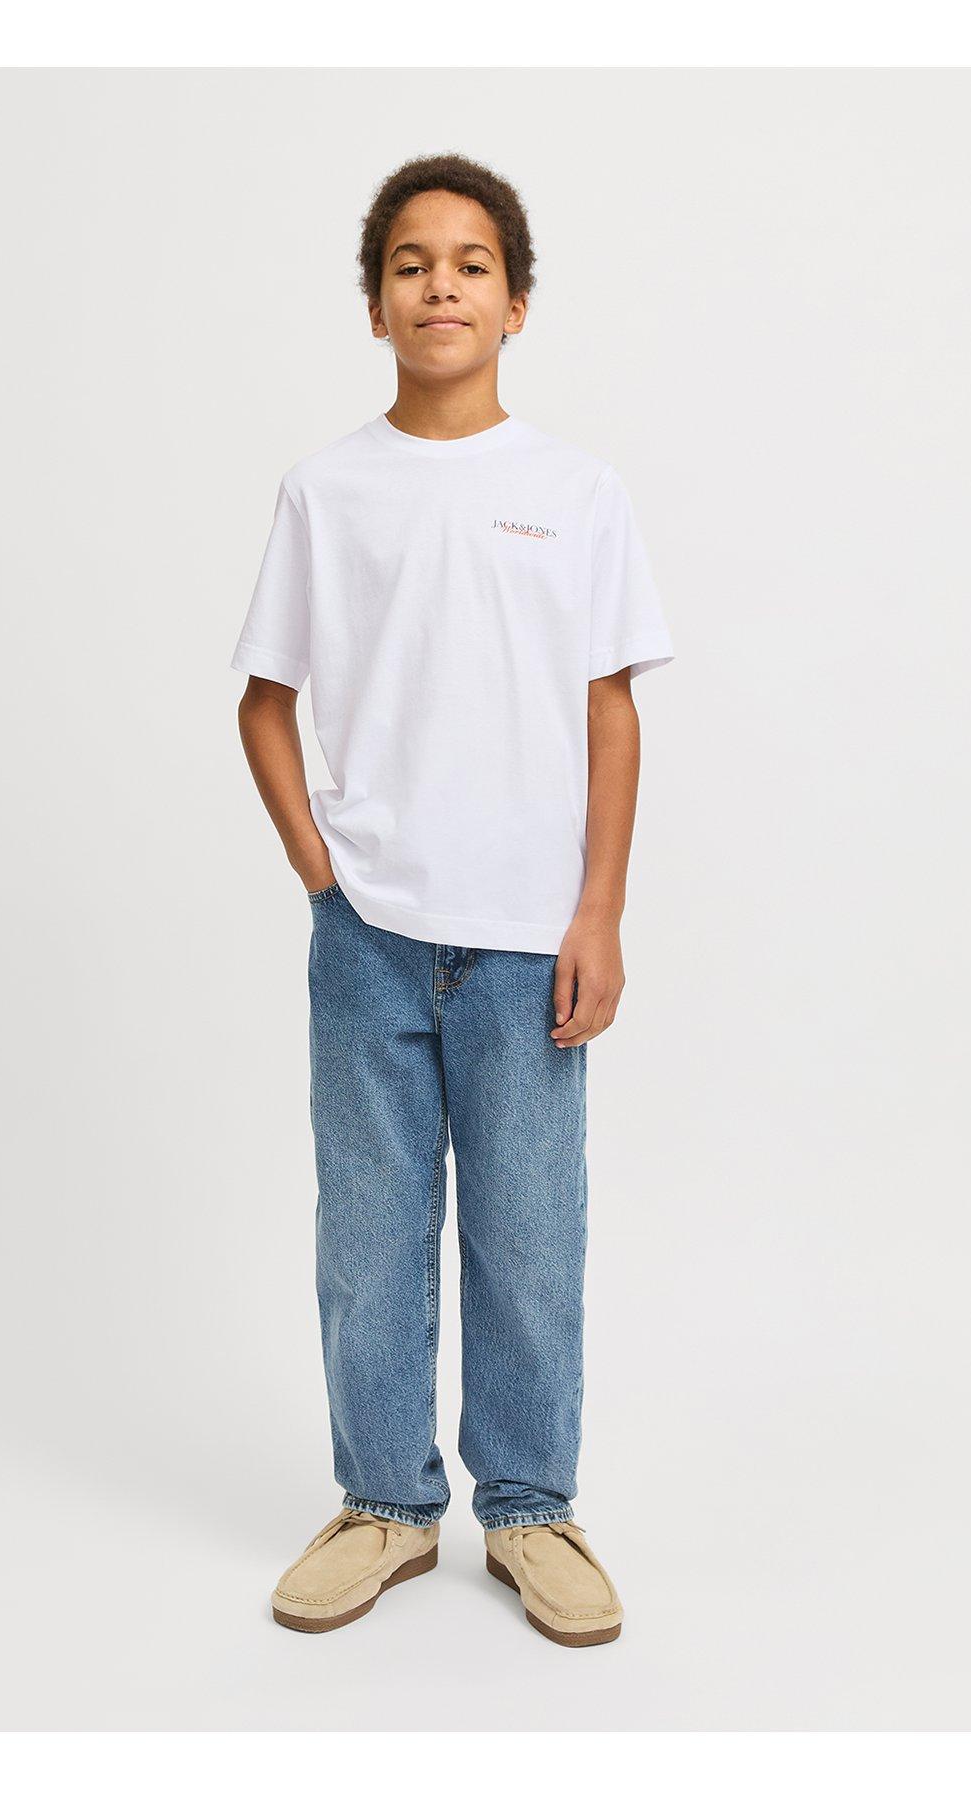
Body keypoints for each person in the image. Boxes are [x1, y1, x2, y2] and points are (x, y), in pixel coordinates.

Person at [231, 153, 673, 1647]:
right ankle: (384, 1504)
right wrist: (324, 875)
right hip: (367, 937)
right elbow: (265, 701)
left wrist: (599, 912)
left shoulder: (576, 492)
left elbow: (611, 710)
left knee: (529, 1240)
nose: (441, 286)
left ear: (516, 302)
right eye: (410, 264)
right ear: (375, 305)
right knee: (368, 1238)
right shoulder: (328, 488)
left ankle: (532, 1510)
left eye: (471, 263)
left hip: (529, 941)